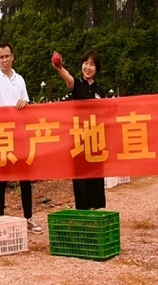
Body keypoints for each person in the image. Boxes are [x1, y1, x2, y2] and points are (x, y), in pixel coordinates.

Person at [0, 43, 42, 233]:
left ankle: (28, 217)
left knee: (25, 178)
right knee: (1, 179)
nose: (4, 60)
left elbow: (26, 103)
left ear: (13, 57)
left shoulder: (19, 79)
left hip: (20, 134)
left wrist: (24, 103)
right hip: (2, 134)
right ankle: (0, 218)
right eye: (1, 57)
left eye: (7, 56)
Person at [52, 49, 106, 210]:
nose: (88, 67)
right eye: (85, 63)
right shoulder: (76, 84)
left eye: (92, 64)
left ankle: (96, 213)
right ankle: (83, 214)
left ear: (97, 68)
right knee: (81, 181)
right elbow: (68, 78)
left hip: (95, 142)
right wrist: (59, 67)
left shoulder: (100, 90)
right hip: (79, 142)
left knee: (96, 180)